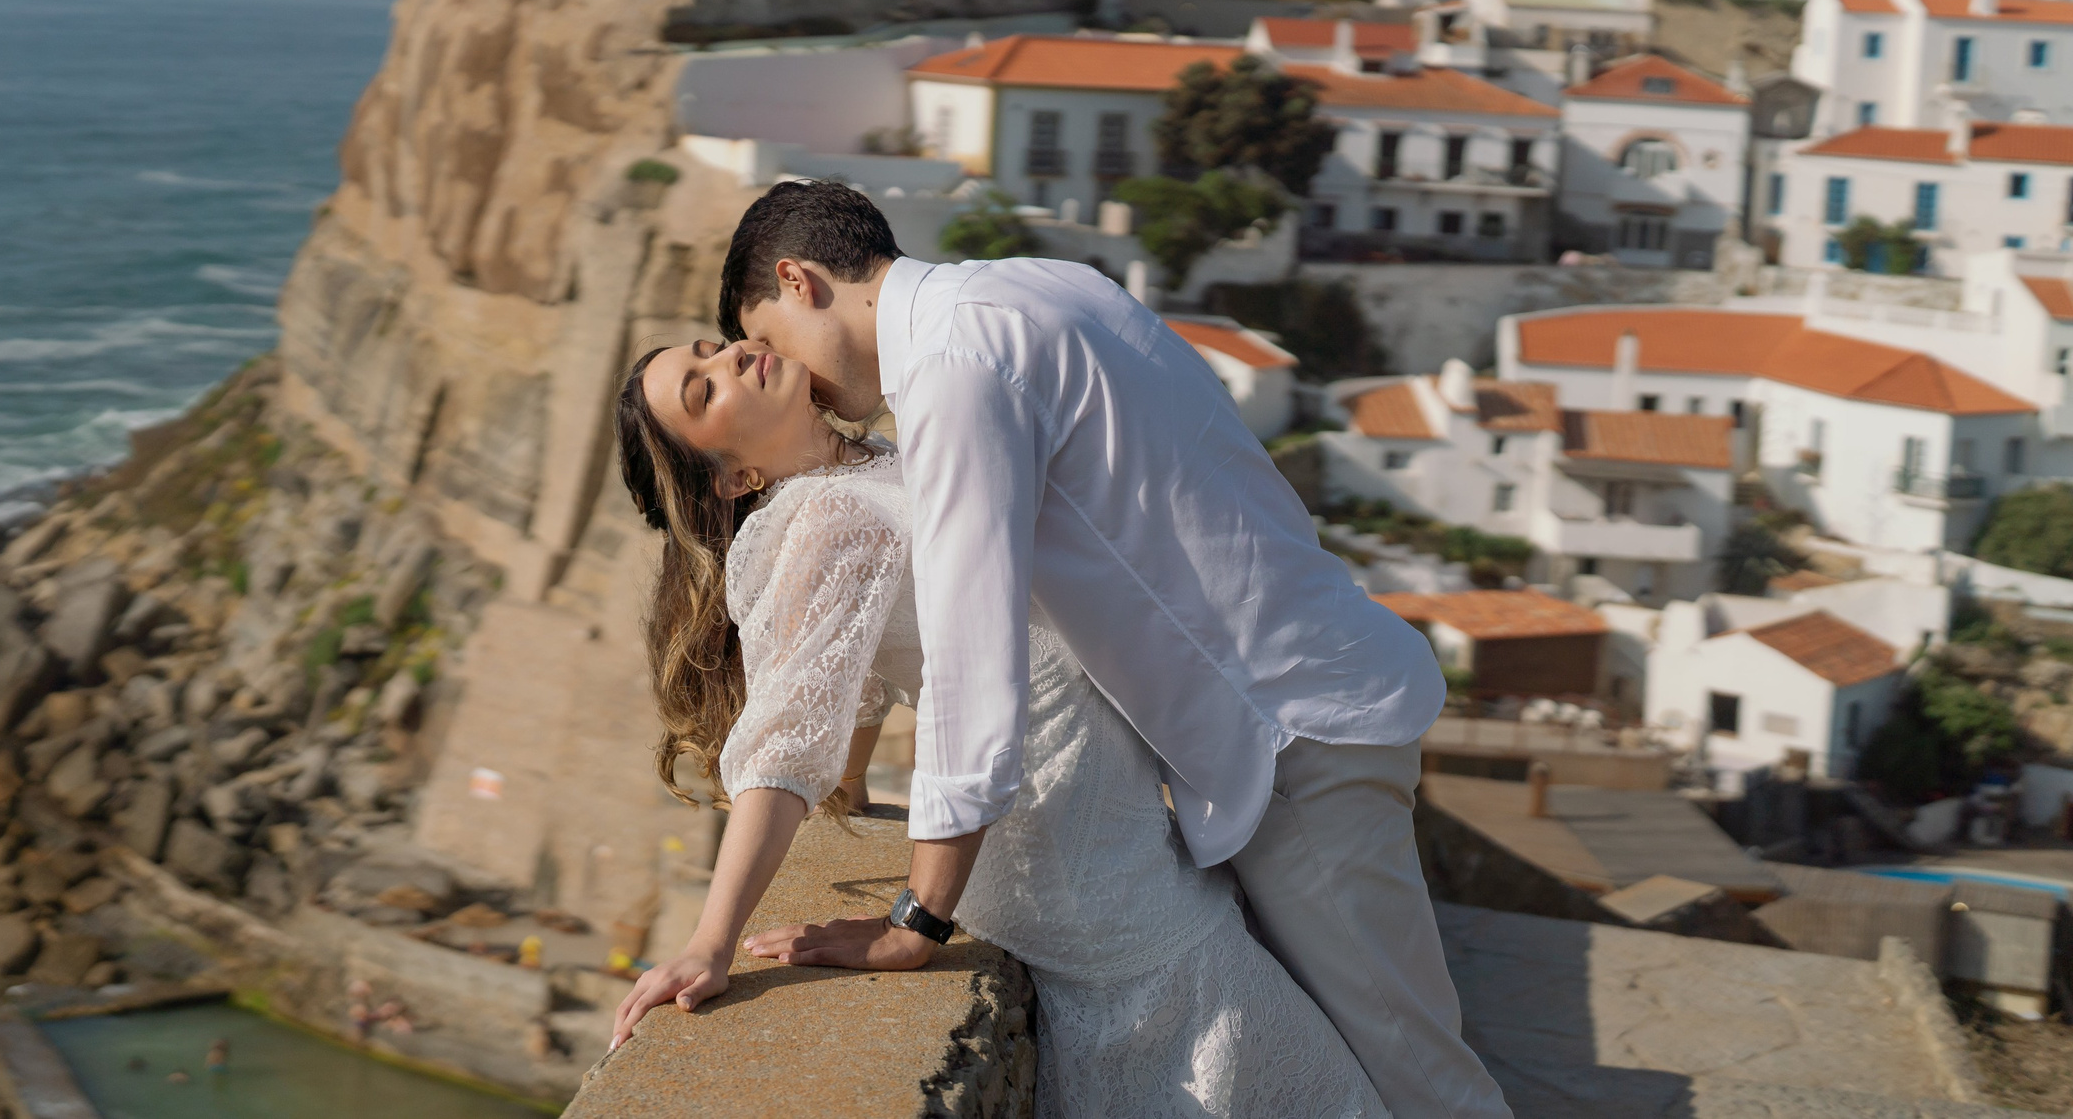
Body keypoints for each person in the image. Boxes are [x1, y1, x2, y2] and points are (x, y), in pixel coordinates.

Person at [708, 181, 1508, 1119]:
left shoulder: (953, 372)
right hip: (1309, 690)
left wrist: (916, 919)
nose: (786, 371)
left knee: (1420, 1082)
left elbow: (975, 658)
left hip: (1289, 735)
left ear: (799, 280)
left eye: (769, 340)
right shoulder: (1044, 285)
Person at [606, 335, 1387, 1116]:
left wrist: (846, 788)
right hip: (1074, 865)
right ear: (737, 476)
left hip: (1110, 836)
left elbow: (854, 683)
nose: (731, 360)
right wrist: (711, 943)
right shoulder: (825, 520)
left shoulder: (875, 462)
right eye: (703, 391)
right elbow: (784, 746)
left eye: (712, 349)